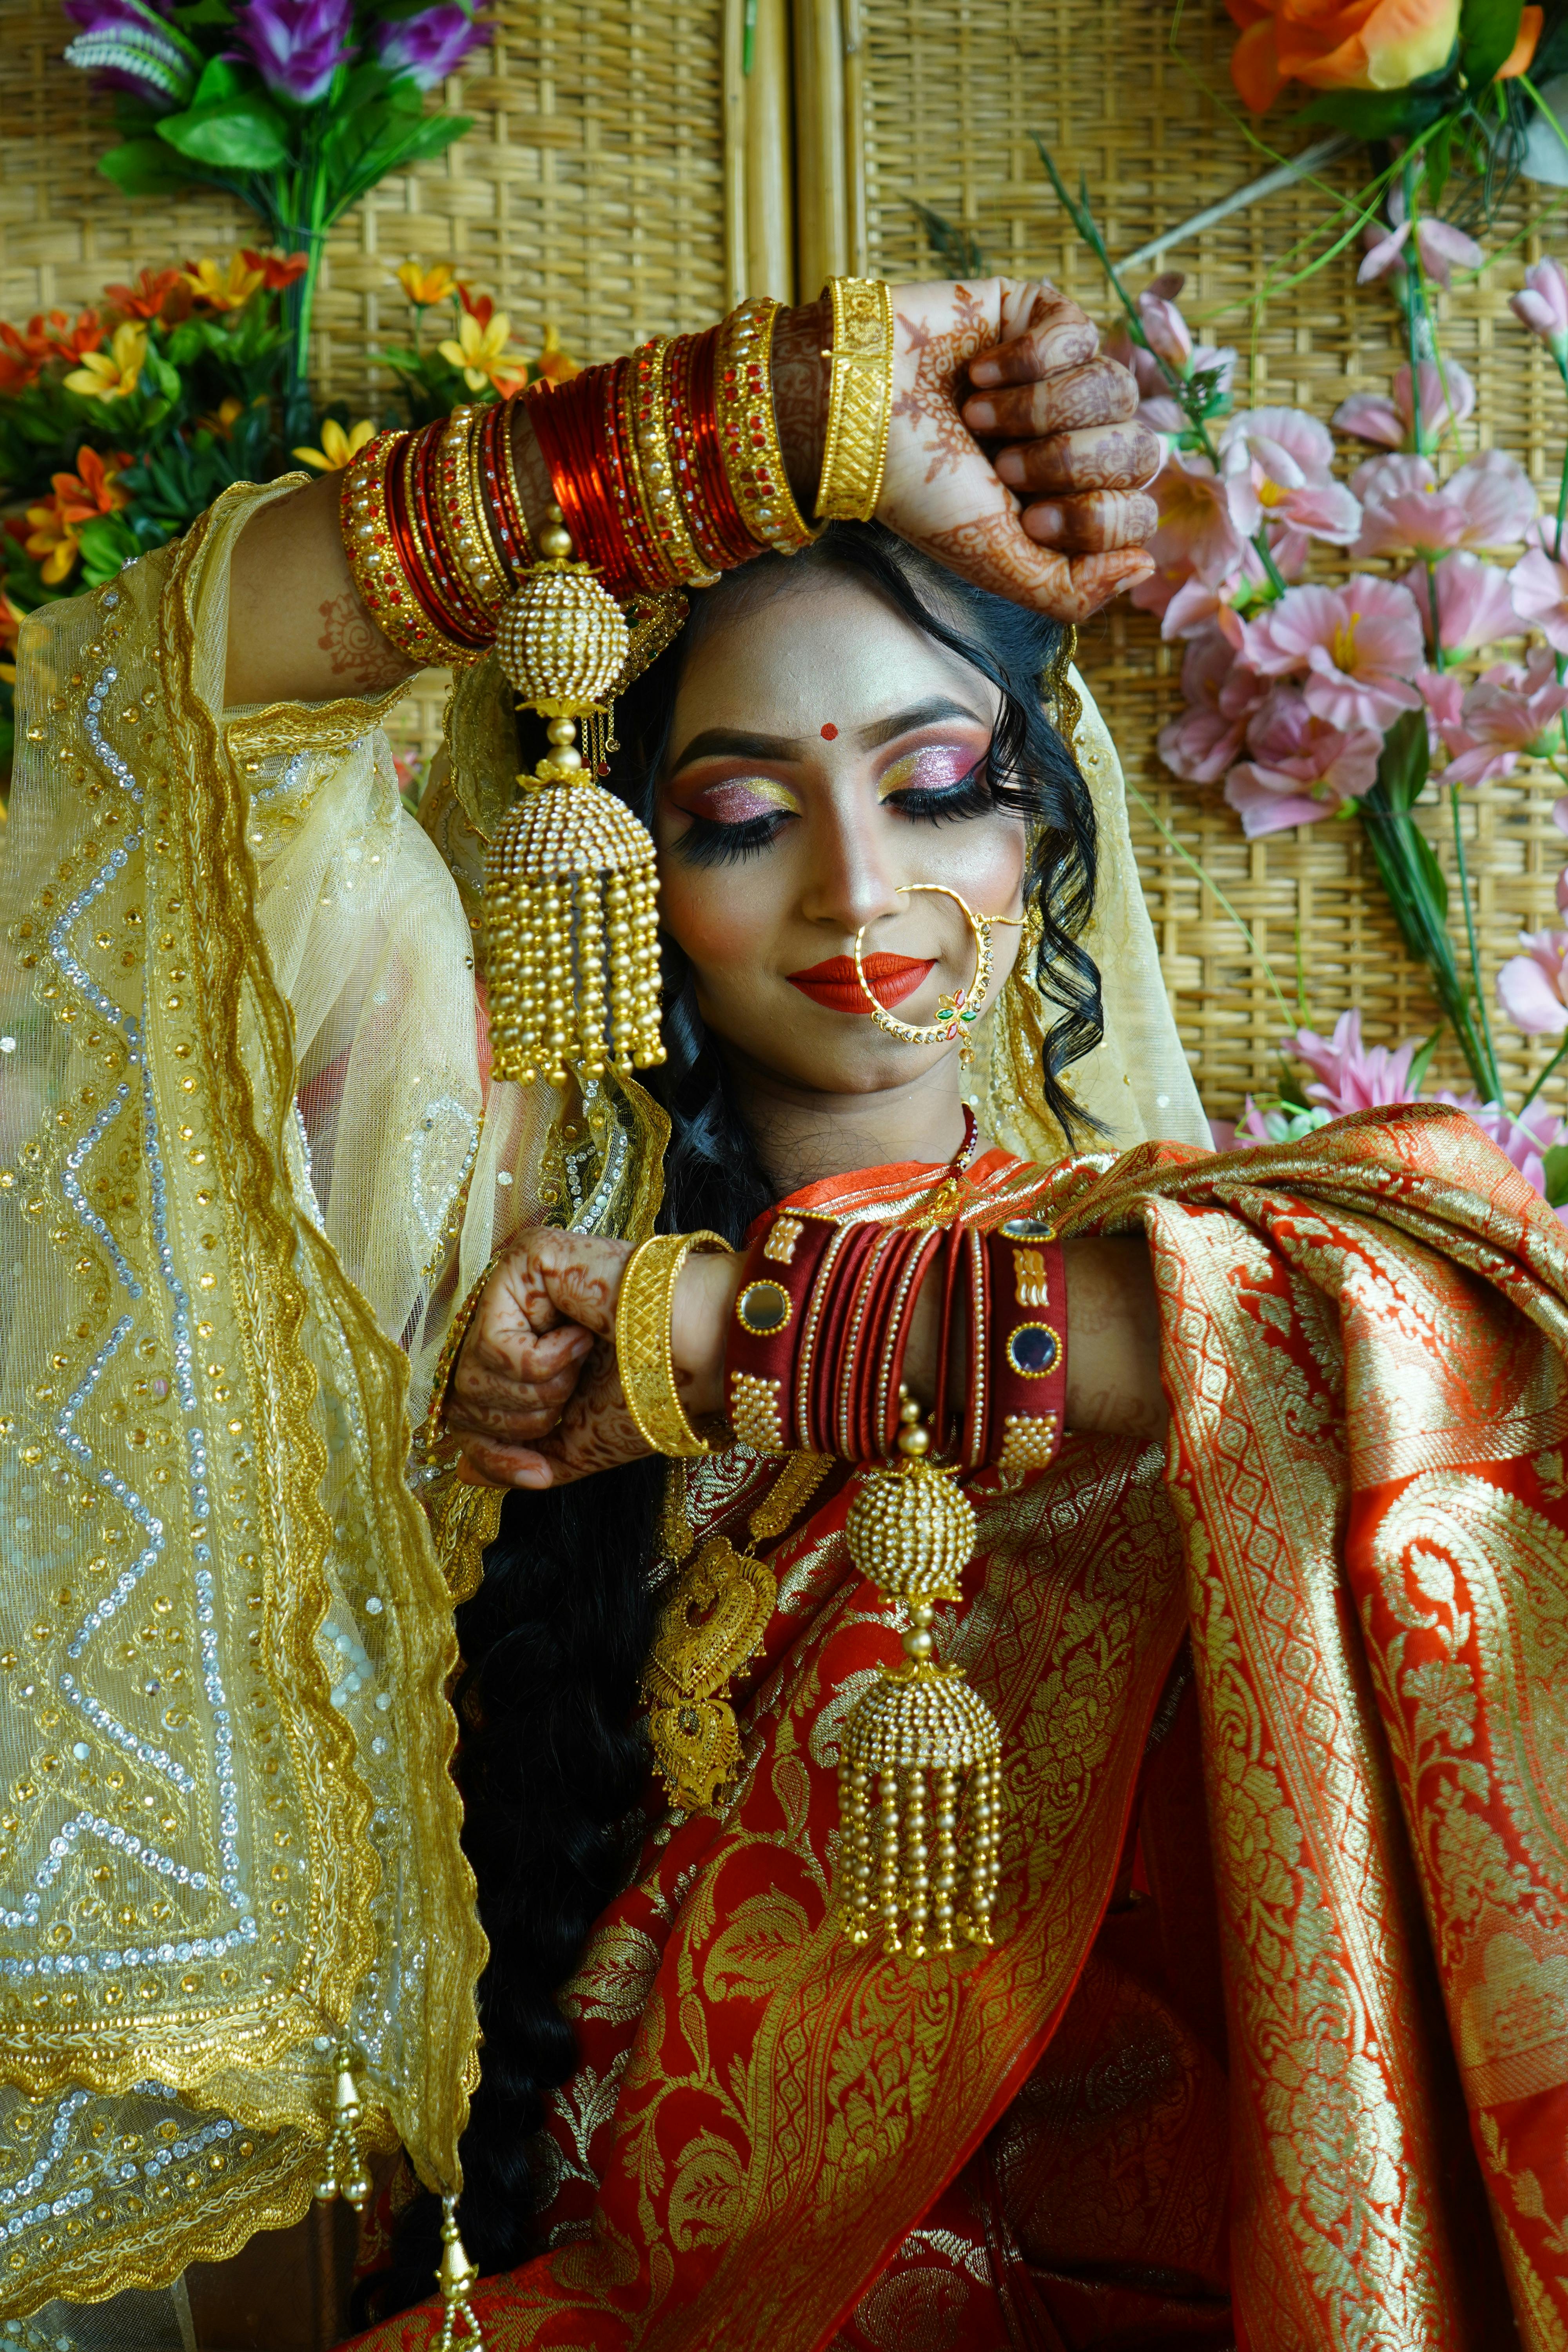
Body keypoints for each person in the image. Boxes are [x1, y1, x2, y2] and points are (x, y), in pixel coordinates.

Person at [1, 272, 1564, 2352]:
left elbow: (1438, 1336)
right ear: (616, 864)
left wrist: (729, 1338)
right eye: (742, 820)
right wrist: (784, 412)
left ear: (1041, 830)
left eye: (939, 789)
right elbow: (195, 690)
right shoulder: (483, 1256)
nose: (857, 893)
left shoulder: (1150, 1257)